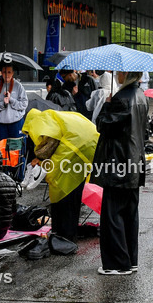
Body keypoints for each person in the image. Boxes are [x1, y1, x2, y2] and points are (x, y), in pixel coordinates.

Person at [93, 71, 148, 275]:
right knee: (130, 214)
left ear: (126, 73)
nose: (118, 75)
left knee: (113, 215)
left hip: (118, 163)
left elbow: (103, 127)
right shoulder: (141, 96)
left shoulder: (121, 98)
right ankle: (130, 260)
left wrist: (107, 104)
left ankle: (117, 263)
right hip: (134, 162)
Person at [23, 107, 99, 254]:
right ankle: (68, 234)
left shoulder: (42, 121)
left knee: (62, 190)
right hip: (87, 149)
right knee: (74, 192)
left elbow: (48, 147)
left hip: (74, 151)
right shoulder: (55, 116)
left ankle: (63, 235)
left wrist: (38, 157)